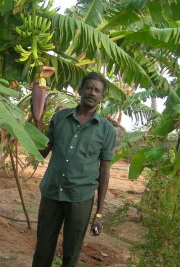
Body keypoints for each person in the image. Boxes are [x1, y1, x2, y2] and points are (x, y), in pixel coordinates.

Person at [32, 72, 116, 267]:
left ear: (101, 97)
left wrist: (99, 213)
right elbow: (42, 152)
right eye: (89, 88)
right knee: (42, 251)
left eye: (97, 90)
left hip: (80, 198)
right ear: (80, 91)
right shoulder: (60, 118)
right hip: (52, 193)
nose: (92, 93)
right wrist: (38, 119)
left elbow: (104, 171)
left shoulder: (106, 130)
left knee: (71, 255)